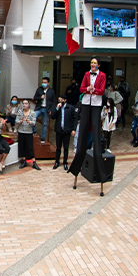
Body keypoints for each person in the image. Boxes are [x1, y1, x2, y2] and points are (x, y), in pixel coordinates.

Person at [68, 58, 106, 188]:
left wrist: (91, 90)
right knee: (83, 131)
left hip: (96, 104)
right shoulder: (86, 74)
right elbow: (81, 89)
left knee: (96, 129)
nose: (93, 64)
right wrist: (87, 89)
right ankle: (76, 166)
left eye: (95, 63)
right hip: (86, 103)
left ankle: (100, 172)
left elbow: (101, 91)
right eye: (91, 62)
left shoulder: (102, 75)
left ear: (98, 65)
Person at [51, 94, 77, 171]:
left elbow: (75, 119)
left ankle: (65, 162)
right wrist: (57, 108)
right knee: (58, 147)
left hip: (67, 130)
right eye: (59, 100)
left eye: (61, 100)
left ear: (65, 100)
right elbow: (52, 116)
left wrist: (73, 129)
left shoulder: (70, 108)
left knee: (66, 147)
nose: (60, 101)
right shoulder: (57, 108)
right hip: (59, 130)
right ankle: (57, 162)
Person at [15, 100, 38, 170]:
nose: (24, 105)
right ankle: (24, 161)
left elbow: (34, 122)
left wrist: (29, 122)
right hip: (21, 131)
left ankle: (34, 162)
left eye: (26, 103)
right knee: (22, 147)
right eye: (23, 103)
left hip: (29, 132)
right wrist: (21, 121)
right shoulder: (20, 112)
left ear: (29, 104)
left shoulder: (32, 112)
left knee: (30, 147)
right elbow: (16, 120)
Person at [33, 77, 55, 143]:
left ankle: (42, 137)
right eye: (43, 82)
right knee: (33, 118)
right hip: (39, 108)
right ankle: (34, 132)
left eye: (45, 82)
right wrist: (40, 97)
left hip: (47, 109)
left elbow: (54, 102)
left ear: (48, 83)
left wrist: (51, 110)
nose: (43, 84)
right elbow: (35, 98)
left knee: (45, 124)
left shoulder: (51, 91)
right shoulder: (39, 89)